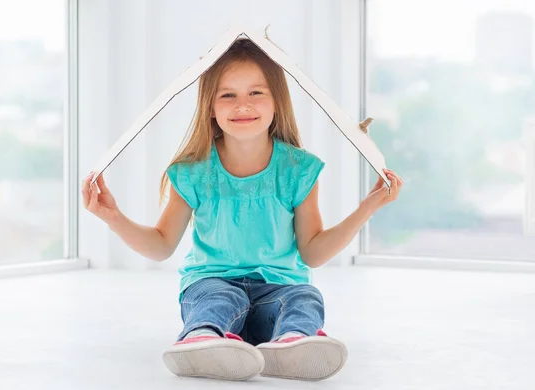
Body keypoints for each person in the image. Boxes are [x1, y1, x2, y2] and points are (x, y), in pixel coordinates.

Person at [82, 38, 403, 382]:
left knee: (305, 298)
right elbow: (161, 245)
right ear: (210, 107)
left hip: (279, 287)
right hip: (212, 282)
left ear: (277, 102)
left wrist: (367, 207)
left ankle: (293, 342)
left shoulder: (299, 169)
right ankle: (203, 339)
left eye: (256, 93)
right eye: (228, 95)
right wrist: (112, 216)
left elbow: (312, 253)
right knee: (216, 300)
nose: (242, 105)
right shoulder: (193, 171)